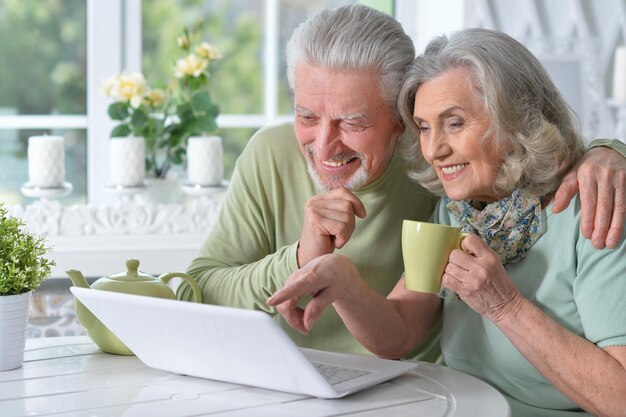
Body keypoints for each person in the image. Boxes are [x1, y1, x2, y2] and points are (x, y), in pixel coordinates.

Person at [179, 4, 626, 361]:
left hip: (415, 392)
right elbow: (201, 291)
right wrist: (303, 261)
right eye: (307, 116)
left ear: (399, 124)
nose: (324, 144)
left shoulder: (441, 178)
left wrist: (610, 150)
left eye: (352, 122)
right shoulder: (451, 199)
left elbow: (538, 140)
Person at [267, 28, 626, 416]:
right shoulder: (458, 209)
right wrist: (342, 281)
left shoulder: (594, 206)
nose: (434, 149)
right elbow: (401, 331)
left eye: (454, 123)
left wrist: (506, 307)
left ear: (518, 116)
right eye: (424, 126)